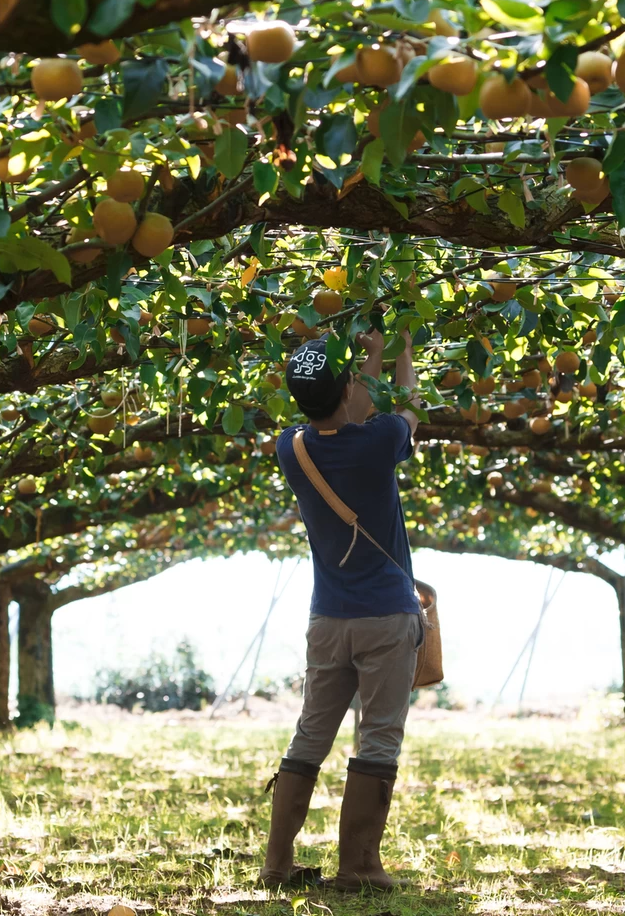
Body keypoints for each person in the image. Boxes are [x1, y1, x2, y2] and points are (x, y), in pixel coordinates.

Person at [259, 328, 422, 892]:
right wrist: (394, 353)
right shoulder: (378, 442)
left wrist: (360, 368)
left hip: (327, 620)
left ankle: (276, 866)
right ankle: (358, 867)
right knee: (377, 738)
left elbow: (344, 415)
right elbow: (408, 410)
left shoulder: (291, 448)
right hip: (385, 618)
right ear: (348, 385)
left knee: (309, 737)